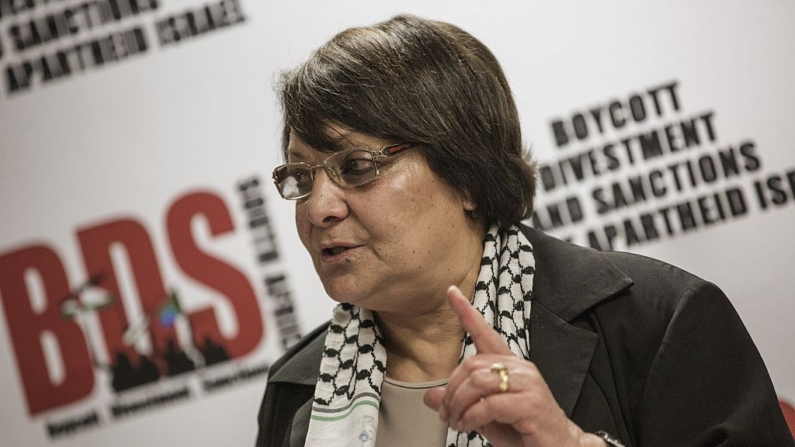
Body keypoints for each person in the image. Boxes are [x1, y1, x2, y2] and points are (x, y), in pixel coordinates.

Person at [255, 14, 794, 447]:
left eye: (356, 167)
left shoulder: (658, 321)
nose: (319, 207)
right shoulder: (297, 388)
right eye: (300, 177)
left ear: (466, 173)